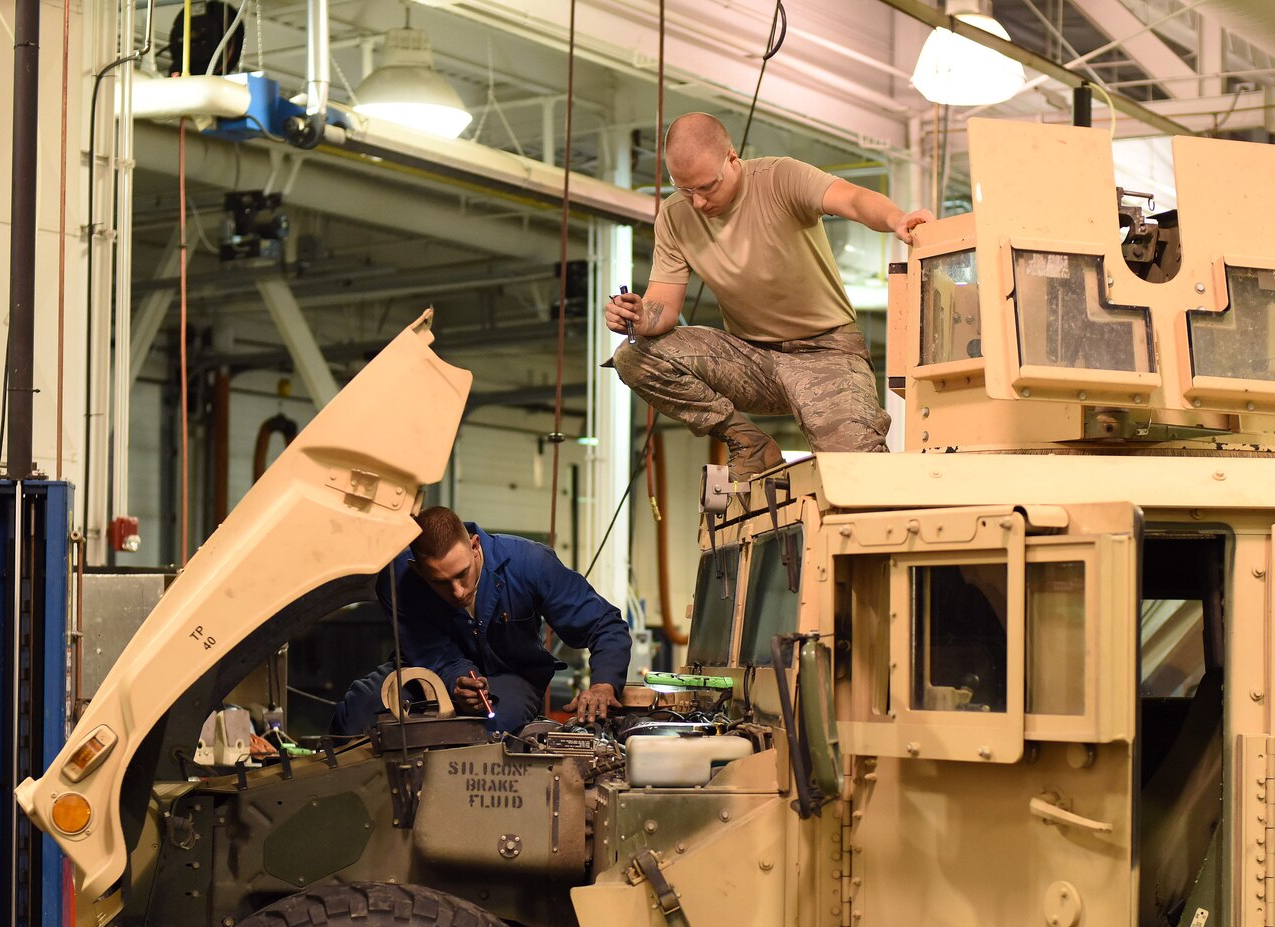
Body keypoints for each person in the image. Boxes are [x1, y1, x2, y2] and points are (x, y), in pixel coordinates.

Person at [606, 112, 933, 480]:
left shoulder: (780, 178)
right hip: (753, 359)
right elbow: (662, 305)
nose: (697, 203)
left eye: (707, 187)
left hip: (825, 354)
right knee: (634, 357)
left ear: (732, 159)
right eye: (684, 189)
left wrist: (895, 219)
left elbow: (853, 199)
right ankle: (750, 445)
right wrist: (639, 317)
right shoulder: (674, 215)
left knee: (860, 478)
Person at [332, 506, 631, 735]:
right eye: (440, 582)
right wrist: (457, 683)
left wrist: (604, 685)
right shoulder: (398, 581)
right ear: (417, 569)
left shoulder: (529, 563)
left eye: (462, 574)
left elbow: (604, 624)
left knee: (483, 729)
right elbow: (432, 654)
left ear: (475, 546)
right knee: (360, 708)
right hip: (426, 668)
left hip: (514, 676)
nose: (458, 591)